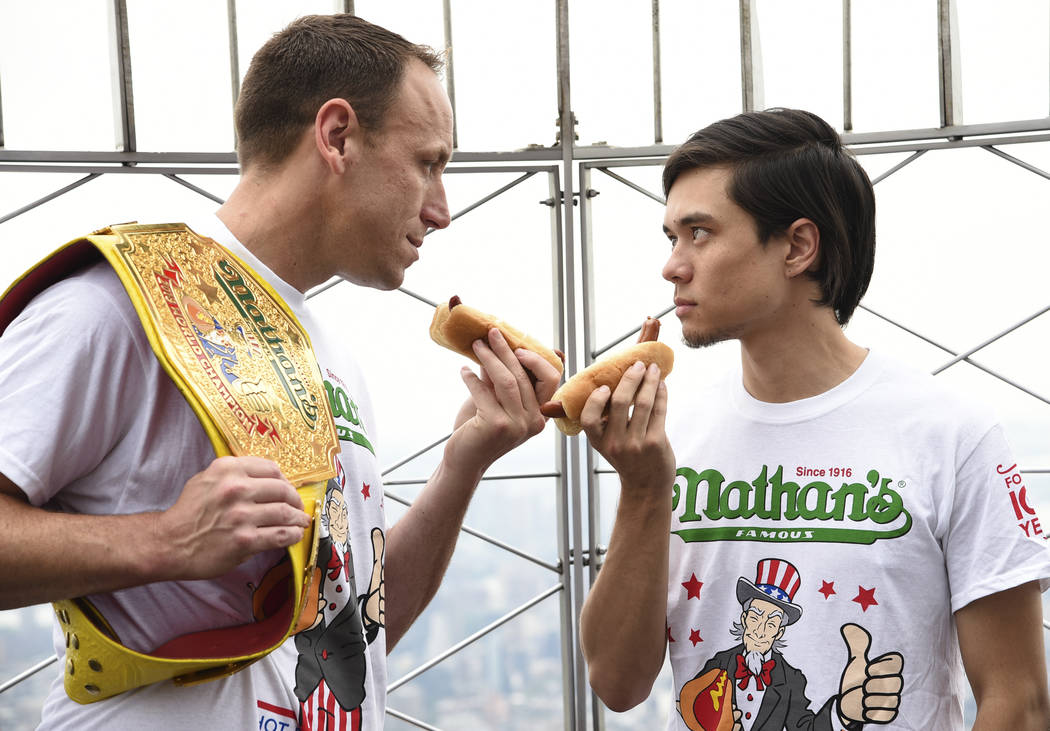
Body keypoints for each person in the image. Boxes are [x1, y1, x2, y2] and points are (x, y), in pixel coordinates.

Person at [0, 13, 559, 730]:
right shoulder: (120, 306)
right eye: (428, 162)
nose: (442, 208)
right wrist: (163, 540)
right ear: (337, 136)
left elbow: (358, 629)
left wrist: (465, 461)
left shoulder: (331, 355)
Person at [577, 108, 1050, 730]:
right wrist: (642, 491)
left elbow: (1018, 701)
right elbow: (616, 682)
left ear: (798, 246)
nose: (673, 265)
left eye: (700, 233)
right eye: (672, 237)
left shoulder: (950, 433)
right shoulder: (675, 431)